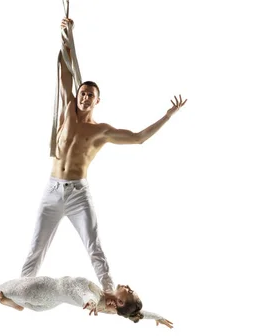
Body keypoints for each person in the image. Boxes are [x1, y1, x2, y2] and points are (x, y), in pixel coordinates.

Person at [20, 18, 187, 292]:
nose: (85, 98)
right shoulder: (66, 113)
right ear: (78, 95)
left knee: (93, 246)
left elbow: (138, 138)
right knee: (36, 248)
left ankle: (109, 293)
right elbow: (63, 69)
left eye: (90, 96)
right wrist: (66, 36)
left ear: (98, 101)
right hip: (52, 190)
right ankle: (22, 290)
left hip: (77, 194)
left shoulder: (101, 131)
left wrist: (167, 116)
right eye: (82, 93)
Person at [0, 278, 173, 328]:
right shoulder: (111, 308)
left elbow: (84, 294)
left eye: (128, 292)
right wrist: (157, 316)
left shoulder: (96, 297)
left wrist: (88, 302)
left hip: (37, 291)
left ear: (119, 302)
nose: (128, 287)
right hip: (44, 305)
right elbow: (135, 313)